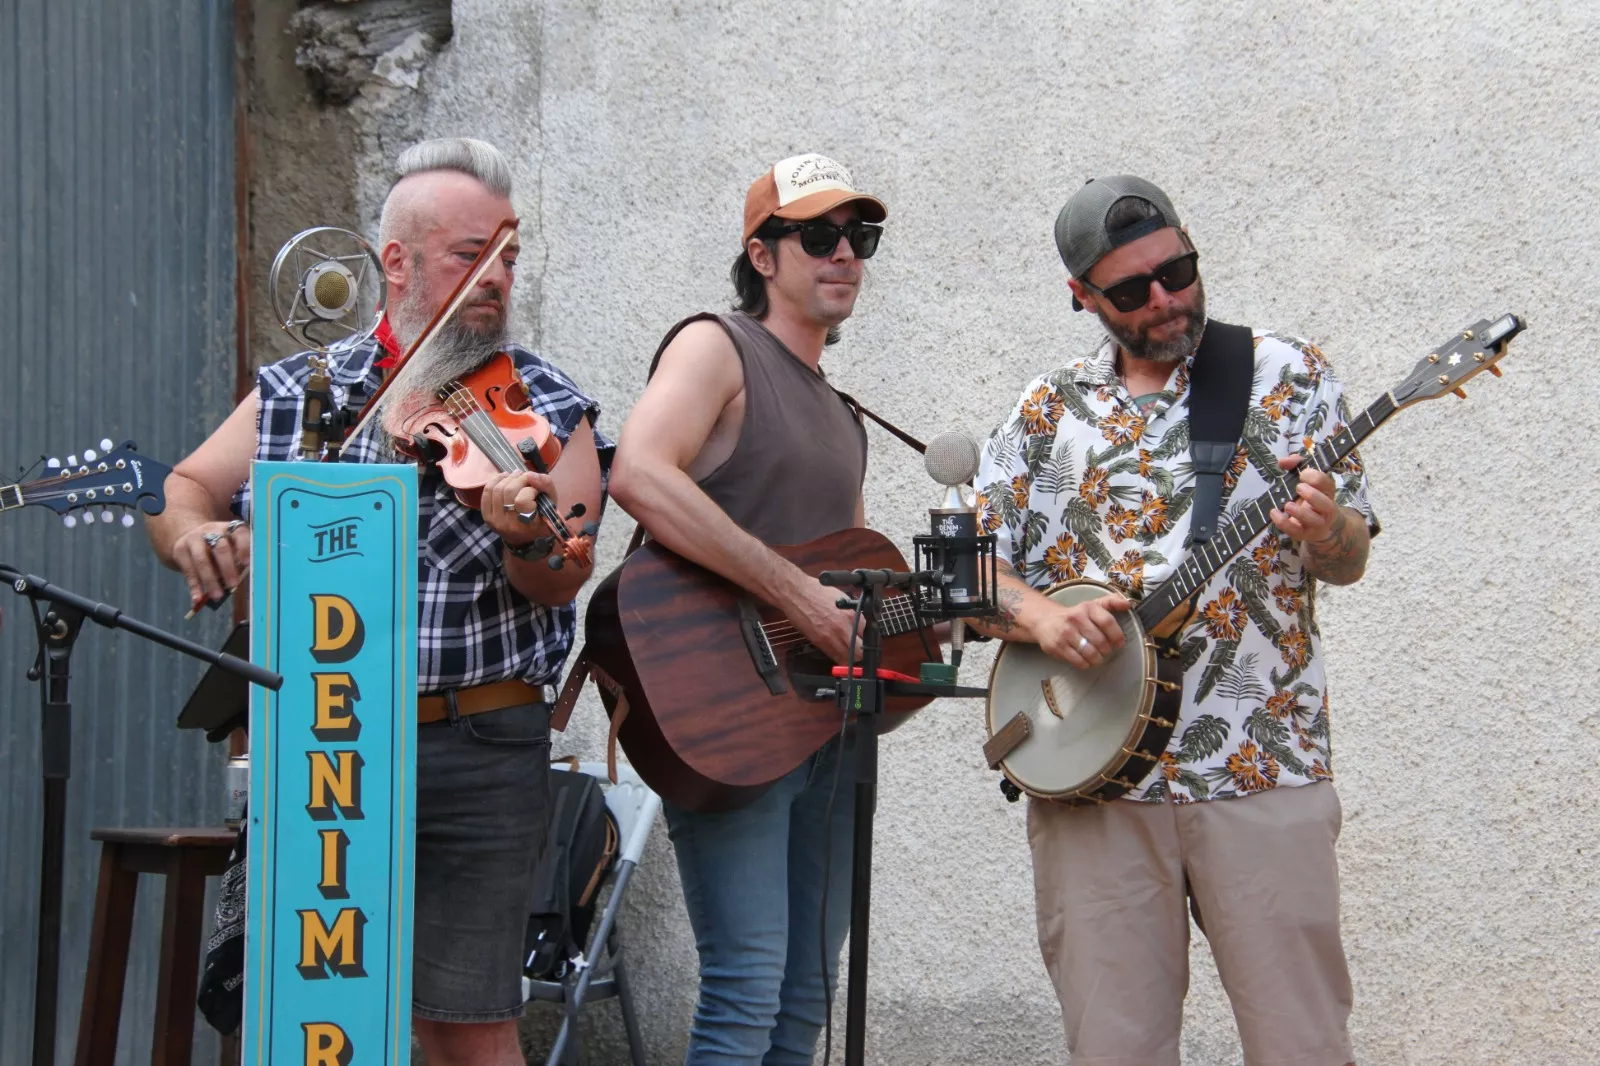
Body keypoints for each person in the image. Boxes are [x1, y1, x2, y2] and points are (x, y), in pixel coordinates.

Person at [146, 137, 609, 1066]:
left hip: (480, 745)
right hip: (325, 738)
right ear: (395, 262)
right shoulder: (299, 393)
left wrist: (525, 531)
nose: (495, 278)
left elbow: (563, 575)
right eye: (468, 254)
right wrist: (195, 537)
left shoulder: (549, 408)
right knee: (308, 1015)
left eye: (508, 257)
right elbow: (182, 489)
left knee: (466, 1028)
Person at [968, 175, 1375, 1066]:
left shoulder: (1287, 375)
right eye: (1130, 289)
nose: (1165, 298)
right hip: (1094, 784)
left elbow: (1349, 556)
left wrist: (1329, 530)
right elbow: (970, 573)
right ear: (1081, 296)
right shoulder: (1046, 413)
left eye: (1178, 269)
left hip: (1259, 765)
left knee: (1304, 1044)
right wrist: (1040, 616)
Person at [607, 152, 886, 1065]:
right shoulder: (716, 346)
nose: (844, 255)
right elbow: (639, 473)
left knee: (805, 994)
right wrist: (796, 596)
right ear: (763, 256)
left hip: (826, 728)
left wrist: (968, 611)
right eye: (818, 236)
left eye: (860, 236)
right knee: (746, 986)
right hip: (725, 718)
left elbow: (847, 571)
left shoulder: (843, 416)